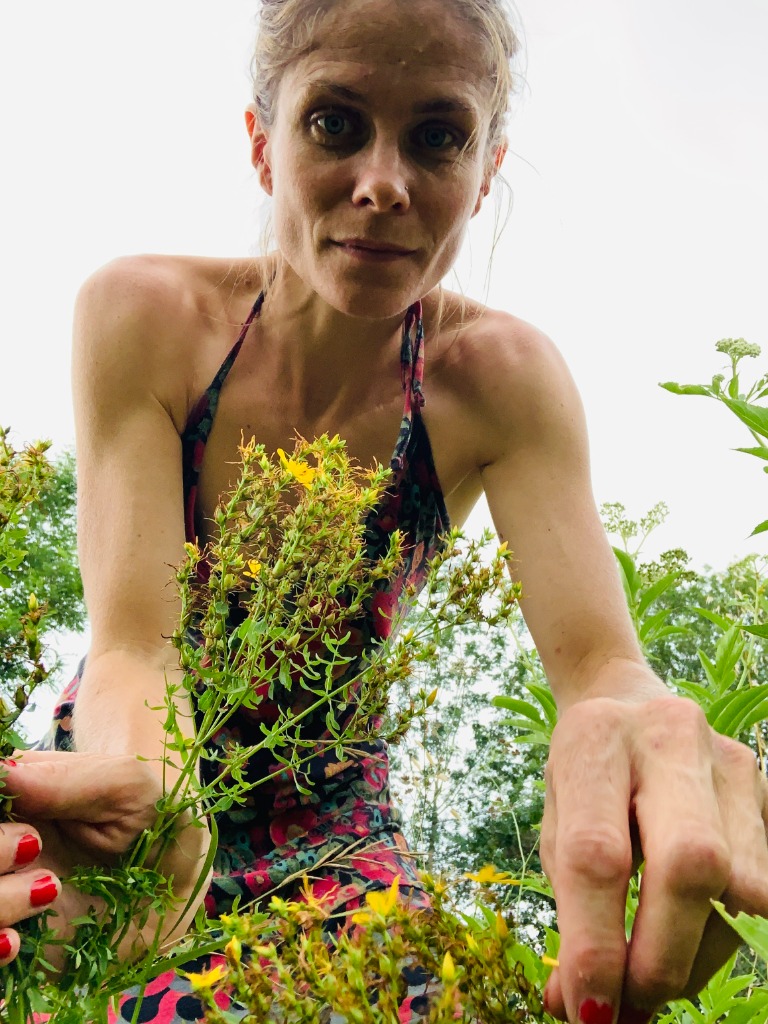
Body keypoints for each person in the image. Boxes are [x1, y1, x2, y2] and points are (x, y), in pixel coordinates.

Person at [1, 0, 767, 1021]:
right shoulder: (146, 315)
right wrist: (158, 816)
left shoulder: (499, 380)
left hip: (337, 820)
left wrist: (646, 733)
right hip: (130, 767)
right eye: (336, 123)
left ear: (485, 172)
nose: (382, 183)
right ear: (262, 143)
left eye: (438, 137)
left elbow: (600, 668)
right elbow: (138, 644)